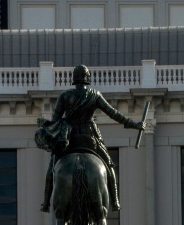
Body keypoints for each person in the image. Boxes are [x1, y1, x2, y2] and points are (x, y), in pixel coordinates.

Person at [36, 64, 144, 214]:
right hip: (90, 136)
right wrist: (134, 124)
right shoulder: (95, 95)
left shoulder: (65, 96)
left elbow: (55, 121)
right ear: (87, 79)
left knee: (52, 170)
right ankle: (115, 201)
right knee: (109, 166)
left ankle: (46, 202)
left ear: (74, 79)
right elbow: (113, 114)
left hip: (69, 139)